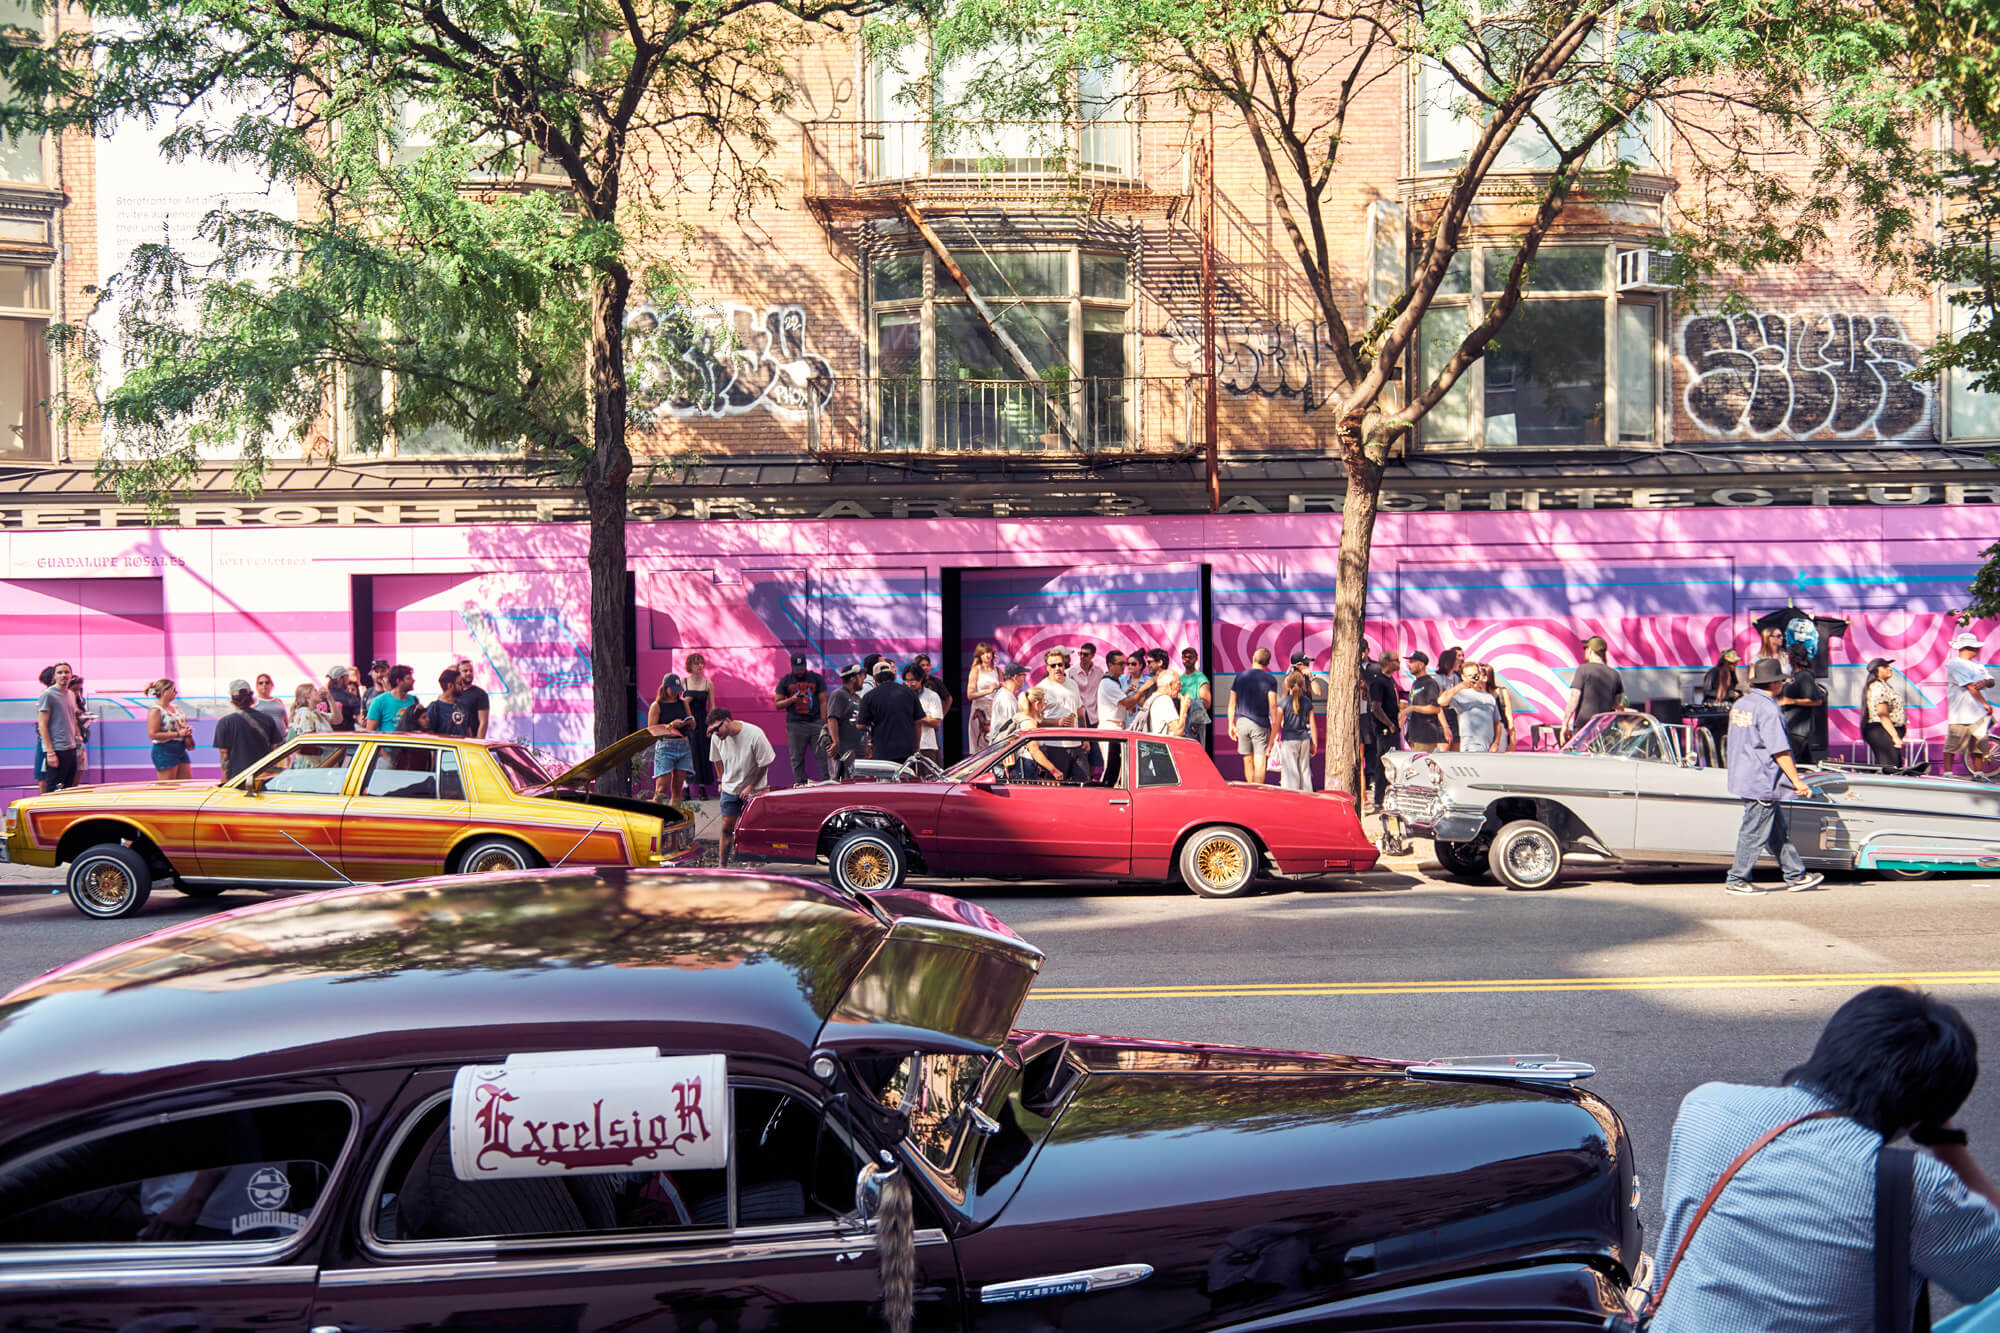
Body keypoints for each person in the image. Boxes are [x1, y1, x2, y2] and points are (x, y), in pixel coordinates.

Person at [1648, 986, 2000, 1332]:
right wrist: (1948, 1144)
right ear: (1925, 1113)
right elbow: (1993, 1276)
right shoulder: (1911, 1187)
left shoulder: (1707, 1107)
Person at [1723, 656, 1826, 895]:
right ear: (1776, 683)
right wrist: (1797, 781)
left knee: (1775, 831)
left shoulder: (1742, 704)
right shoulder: (1769, 709)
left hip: (1744, 775)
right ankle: (1737, 879)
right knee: (1754, 831)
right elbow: (1780, 750)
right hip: (1763, 780)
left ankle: (1795, 875)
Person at [707, 709, 773, 868]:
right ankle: (722, 866)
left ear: (728, 720)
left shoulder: (755, 734)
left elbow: (764, 762)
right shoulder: (717, 738)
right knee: (726, 827)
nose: (715, 733)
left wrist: (751, 786)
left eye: (716, 728)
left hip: (755, 789)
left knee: (751, 829)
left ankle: (751, 865)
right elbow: (716, 759)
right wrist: (720, 780)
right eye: (711, 731)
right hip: (730, 788)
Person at [1945, 631, 1997, 779]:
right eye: (1975, 647)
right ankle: (1948, 773)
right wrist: (1985, 703)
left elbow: (1991, 681)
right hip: (1961, 714)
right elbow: (1970, 687)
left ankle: (1978, 773)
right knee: (1953, 744)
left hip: (1978, 714)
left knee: (1979, 746)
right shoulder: (1955, 664)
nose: (1978, 650)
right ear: (1968, 648)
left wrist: (1986, 682)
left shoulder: (1978, 665)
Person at [1034, 648, 1090, 782]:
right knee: (1056, 787)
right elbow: (1034, 719)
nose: (1057, 668)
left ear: (1065, 665)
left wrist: (1086, 737)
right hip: (1054, 745)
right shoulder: (1041, 688)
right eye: (1053, 666)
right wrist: (1056, 722)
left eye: (1060, 664)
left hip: (1076, 744)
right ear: (1047, 668)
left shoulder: (1072, 684)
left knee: (1083, 783)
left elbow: (1080, 712)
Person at [772, 652, 826, 786]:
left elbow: (824, 701)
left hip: (815, 722)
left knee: (823, 756)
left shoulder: (816, 678)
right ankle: (800, 784)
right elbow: (777, 704)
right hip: (795, 724)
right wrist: (792, 700)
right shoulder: (785, 681)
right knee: (796, 758)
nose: (800, 671)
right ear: (791, 666)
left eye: (802, 667)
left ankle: (828, 783)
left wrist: (823, 722)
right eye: (797, 668)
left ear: (806, 665)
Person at [1228, 647, 1281, 784]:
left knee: (1247, 760)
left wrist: (1231, 725)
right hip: (1260, 724)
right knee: (1260, 761)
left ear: (1253, 658)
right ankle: (1259, 793)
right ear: (1267, 663)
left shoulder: (1240, 677)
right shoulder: (1270, 680)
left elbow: (1232, 704)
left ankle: (1250, 791)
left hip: (1242, 723)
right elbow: (1273, 705)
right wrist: (1275, 725)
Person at [213, 678, 282, 781]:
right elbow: (275, 749)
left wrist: (226, 780)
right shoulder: (267, 719)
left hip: (237, 779)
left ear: (232, 698)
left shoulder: (225, 722)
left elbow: (224, 755)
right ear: (250, 696)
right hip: (262, 777)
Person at [858, 661, 923, 765]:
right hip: (907, 751)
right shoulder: (909, 693)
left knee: (885, 781)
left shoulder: (869, 697)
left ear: (875, 678)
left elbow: (861, 726)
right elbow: (918, 722)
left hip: (882, 752)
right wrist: (917, 747)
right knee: (907, 780)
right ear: (893, 675)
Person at [1361, 652, 1402, 810]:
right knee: (1388, 765)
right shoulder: (1379, 682)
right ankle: (1381, 800)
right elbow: (1375, 707)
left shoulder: (1390, 680)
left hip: (1391, 729)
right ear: (1387, 662)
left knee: (1383, 766)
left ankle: (1381, 800)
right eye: (1396, 660)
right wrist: (1389, 724)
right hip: (1385, 731)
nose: (1399, 663)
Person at [648, 673, 696, 803]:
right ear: (665, 688)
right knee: (661, 788)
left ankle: (674, 818)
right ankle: (655, 817)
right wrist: (671, 726)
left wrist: (691, 722)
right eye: (673, 690)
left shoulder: (683, 703)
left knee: (677, 788)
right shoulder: (657, 705)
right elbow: (652, 730)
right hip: (665, 746)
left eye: (678, 691)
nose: (675, 693)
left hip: (683, 745)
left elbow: (692, 723)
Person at [35, 662, 81, 793]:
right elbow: (42, 724)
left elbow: (72, 719)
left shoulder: (71, 695)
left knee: (69, 789)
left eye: (66, 672)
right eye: (60, 672)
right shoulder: (48, 695)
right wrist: (50, 752)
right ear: (54, 676)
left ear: (71, 675)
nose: (64, 675)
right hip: (56, 749)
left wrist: (78, 744)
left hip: (70, 748)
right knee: (54, 789)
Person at [1564, 636, 1624, 735]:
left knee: (1582, 750)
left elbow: (1574, 698)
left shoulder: (1583, 670)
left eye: (1585, 649)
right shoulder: (1615, 674)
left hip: (1584, 727)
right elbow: (1619, 705)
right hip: (1605, 728)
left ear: (1590, 651)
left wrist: (1565, 723)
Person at [1441, 662, 1503, 754]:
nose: (1473, 678)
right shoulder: (1460, 695)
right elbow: (1441, 701)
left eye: (1475, 675)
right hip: (1470, 746)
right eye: (1469, 676)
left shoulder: (1489, 697)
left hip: (1488, 747)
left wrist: (1496, 743)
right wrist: (1461, 685)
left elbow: (1497, 724)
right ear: (1463, 677)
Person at [1777, 647, 1825, 767]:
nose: (1785, 657)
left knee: (1790, 763)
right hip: (1790, 725)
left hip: (1798, 729)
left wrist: (1791, 701)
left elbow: (1816, 701)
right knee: (1805, 763)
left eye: (1787, 655)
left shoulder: (1805, 676)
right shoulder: (1794, 676)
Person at [1275, 665, 1317, 791]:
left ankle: (1292, 797)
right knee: (1305, 770)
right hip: (1304, 739)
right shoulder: (1307, 702)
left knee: (1290, 771)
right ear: (1303, 685)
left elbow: (1277, 724)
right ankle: (1307, 795)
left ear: (1288, 686)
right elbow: (1313, 724)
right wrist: (1314, 742)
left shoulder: (1283, 702)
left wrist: (1271, 743)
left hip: (1289, 740)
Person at [144, 678, 196, 780]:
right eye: (173, 690)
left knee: (187, 784)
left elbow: (181, 724)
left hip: (180, 748)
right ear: (164, 692)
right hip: (164, 749)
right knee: (168, 786)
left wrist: (186, 731)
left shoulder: (176, 708)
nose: (175, 693)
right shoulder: (156, 711)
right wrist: (178, 734)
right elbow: (153, 734)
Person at [1012, 687, 1066, 782]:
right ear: (1037, 704)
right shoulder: (1029, 723)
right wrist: (1054, 770)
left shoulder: (1022, 717)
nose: (1044, 706)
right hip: (1027, 767)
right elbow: (1034, 750)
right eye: (1044, 703)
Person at [1863, 657, 1907, 770]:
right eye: (1885, 667)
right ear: (1876, 670)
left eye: (1889, 666)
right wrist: (1895, 736)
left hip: (1886, 729)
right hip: (1881, 730)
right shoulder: (1878, 687)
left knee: (1894, 763)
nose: (1889, 669)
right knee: (1890, 765)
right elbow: (1882, 713)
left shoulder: (1885, 685)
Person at [825, 664, 867, 780]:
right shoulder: (839, 694)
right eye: (860, 676)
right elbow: (832, 718)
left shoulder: (857, 698)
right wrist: (836, 742)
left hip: (858, 753)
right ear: (853, 678)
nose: (863, 679)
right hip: (844, 753)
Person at [1401, 651, 1448, 753]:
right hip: (1414, 736)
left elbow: (1435, 708)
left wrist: (1412, 708)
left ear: (1421, 665)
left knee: (1422, 767)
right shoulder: (1415, 683)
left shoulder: (1429, 683)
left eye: (1412, 662)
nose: (1409, 665)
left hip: (1425, 736)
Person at [683, 653, 715, 798]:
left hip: (702, 720)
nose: (699, 666)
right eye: (696, 663)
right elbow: (678, 704)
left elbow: (712, 706)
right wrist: (685, 701)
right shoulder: (684, 682)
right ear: (690, 665)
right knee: (688, 753)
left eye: (701, 663)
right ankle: (686, 788)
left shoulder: (708, 683)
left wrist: (712, 724)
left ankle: (702, 788)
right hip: (688, 720)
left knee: (703, 753)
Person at [966, 641, 1000, 749]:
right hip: (980, 709)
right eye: (983, 653)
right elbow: (970, 695)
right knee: (979, 744)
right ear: (979, 656)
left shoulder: (997, 670)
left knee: (995, 742)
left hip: (994, 708)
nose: (987, 655)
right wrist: (988, 691)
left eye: (989, 652)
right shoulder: (976, 670)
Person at [364, 664, 419, 732]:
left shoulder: (414, 700)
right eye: (408, 678)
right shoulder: (379, 701)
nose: (413, 680)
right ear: (398, 681)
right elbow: (370, 731)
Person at [908, 663, 944, 761]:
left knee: (926, 776)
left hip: (926, 746)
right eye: (907, 680)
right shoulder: (902, 696)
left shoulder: (932, 696)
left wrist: (918, 717)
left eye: (913, 680)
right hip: (906, 747)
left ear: (921, 679)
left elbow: (936, 723)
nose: (910, 684)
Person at [1179, 647, 1213, 749]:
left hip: (1195, 722)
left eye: (1190, 657)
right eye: (1185, 657)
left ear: (1196, 659)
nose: (1187, 659)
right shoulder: (1180, 678)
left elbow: (1207, 703)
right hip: (1182, 720)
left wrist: (1189, 702)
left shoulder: (1200, 678)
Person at [426, 668, 474, 737]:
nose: (463, 686)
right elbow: (429, 734)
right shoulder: (435, 707)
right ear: (450, 686)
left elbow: (469, 731)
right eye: (460, 684)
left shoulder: (463, 706)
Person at [989, 661, 1028, 743]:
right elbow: (1009, 732)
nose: (1025, 678)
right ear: (1015, 677)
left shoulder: (1006, 695)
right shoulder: (1007, 699)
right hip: (1004, 750)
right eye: (1023, 675)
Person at [455, 656, 491, 738]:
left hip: (471, 741)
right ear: (458, 674)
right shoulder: (453, 693)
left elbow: (483, 722)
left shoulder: (480, 694)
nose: (469, 673)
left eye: (471, 671)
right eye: (465, 671)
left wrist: (478, 742)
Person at [1146, 668, 1186, 735]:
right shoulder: (1165, 700)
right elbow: (1178, 731)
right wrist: (1184, 708)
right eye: (1178, 684)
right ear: (1171, 684)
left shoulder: (1151, 698)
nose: (1180, 688)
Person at [1072, 643, 1103, 728]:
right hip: (1077, 715)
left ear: (1092, 656)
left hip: (1093, 716)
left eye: (1085, 654)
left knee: (1093, 741)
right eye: (1080, 653)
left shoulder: (1099, 672)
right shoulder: (1071, 672)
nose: (1082, 656)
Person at [326, 665, 363, 732]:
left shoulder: (321, 697)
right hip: (345, 737)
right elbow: (360, 719)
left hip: (323, 737)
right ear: (340, 678)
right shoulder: (349, 697)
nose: (348, 680)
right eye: (347, 677)